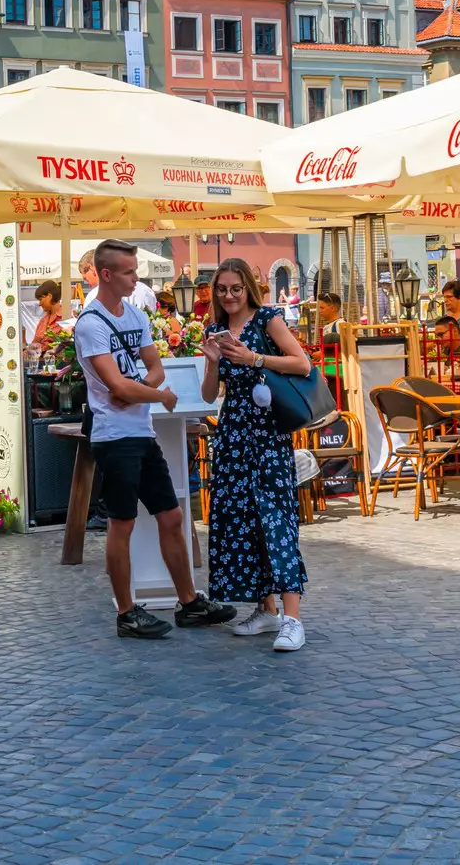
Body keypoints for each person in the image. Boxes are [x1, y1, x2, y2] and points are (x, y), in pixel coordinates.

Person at [75, 239, 235, 640]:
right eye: (129, 272)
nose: (136, 279)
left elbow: (153, 368)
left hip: (142, 431)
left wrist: (141, 387)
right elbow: (117, 388)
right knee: (122, 521)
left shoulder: (135, 315)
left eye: (136, 271)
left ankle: (189, 602)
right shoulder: (90, 323)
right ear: (107, 275)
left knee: (172, 515)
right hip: (114, 435)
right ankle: (127, 612)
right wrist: (156, 395)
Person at [198, 257, 313, 651]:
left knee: (275, 517)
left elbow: (302, 363)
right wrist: (213, 363)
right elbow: (209, 395)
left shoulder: (268, 320)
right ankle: (266, 610)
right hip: (232, 433)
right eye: (222, 289)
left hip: (266, 434)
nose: (229, 296)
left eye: (235, 288)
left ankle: (293, 618)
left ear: (248, 287)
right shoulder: (214, 329)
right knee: (240, 518)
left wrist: (254, 358)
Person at [29, 280, 66, 351]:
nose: (39, 304)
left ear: (49, 296)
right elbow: (33, 345)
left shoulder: (65, 318)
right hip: (37, 360)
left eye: (40, 299)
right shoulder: (43, 320)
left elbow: (63, 347)